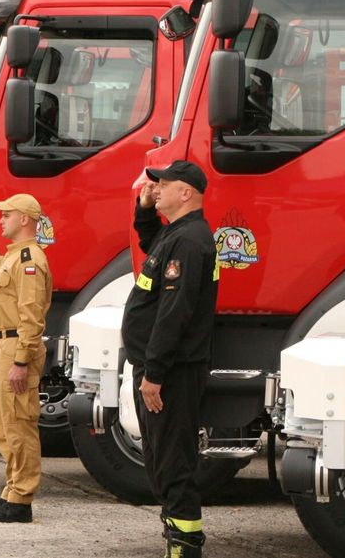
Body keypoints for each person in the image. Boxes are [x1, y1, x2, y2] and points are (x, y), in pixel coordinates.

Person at [122, 160, 218, 558]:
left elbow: (173, 313)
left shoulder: (191, 241)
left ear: (187, 193)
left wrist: (155, 373)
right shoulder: (176, 235)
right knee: (161, 460)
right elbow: (152, 246)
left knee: (173, 463)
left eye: (163, 184)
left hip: (172, 372)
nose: (155, 187)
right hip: (160, 368)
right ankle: (176, 539)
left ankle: (185, 547)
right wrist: (144, 208)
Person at [0, 194, 52, 523]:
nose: (0, 218)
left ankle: (21, 499)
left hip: (15, 347)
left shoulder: (30, 260)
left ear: (24, 219)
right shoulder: (13, 257)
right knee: (5, 427)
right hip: (3, 347)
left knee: (19, 424)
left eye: (6, 215)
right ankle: (12, 490)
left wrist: (21, 361)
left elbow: (31, 317)